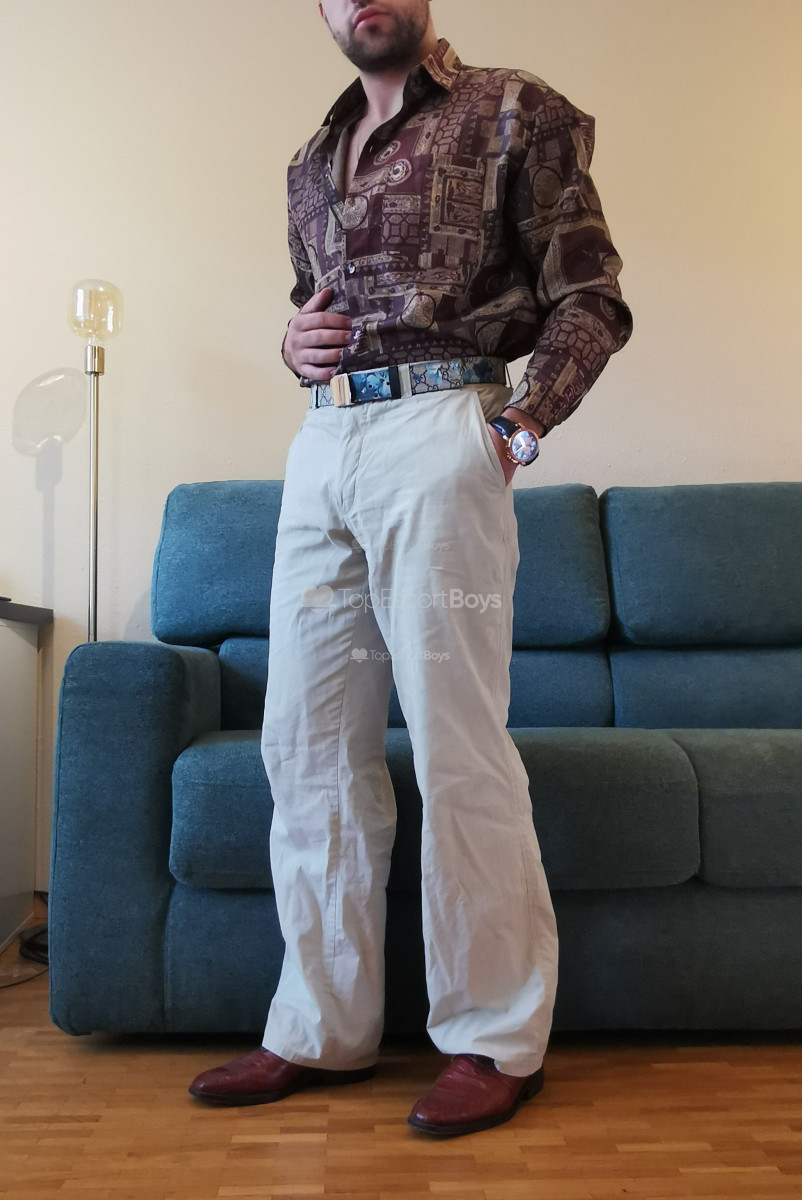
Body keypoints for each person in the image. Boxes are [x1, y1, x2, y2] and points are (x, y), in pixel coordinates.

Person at [189, 0, 633, 1137]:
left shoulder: (513, 109)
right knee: (305, 744)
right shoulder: (309, 160)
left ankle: (493, 1037)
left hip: (444, 431)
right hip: (322, 447)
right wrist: (295, 346)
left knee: (454, 740)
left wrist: (521, 427)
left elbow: (591, 295)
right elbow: (317, 311)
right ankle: (319, 1027)